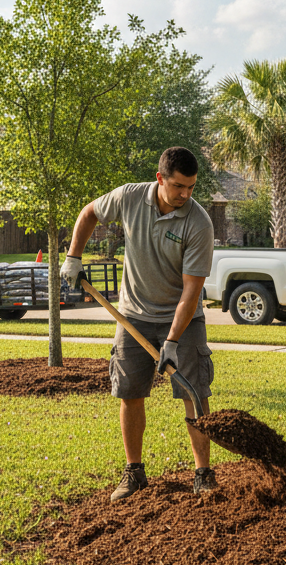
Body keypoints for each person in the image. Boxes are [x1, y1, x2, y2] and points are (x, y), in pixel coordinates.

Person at [62, 147, 216, 502]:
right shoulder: (129, 197)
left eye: (191, 187)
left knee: (194, 394)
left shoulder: (199, 223)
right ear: (160, 178)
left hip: (182, 319)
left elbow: (191, 291)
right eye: (178, 186)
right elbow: (89, 213)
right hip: (132, 316)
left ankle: (203, 474)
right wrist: (73, 257)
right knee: (129, 393)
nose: (185, 194)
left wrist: (172, 341)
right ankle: (134, 472)